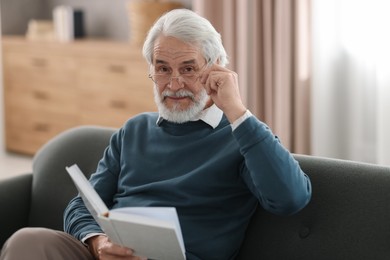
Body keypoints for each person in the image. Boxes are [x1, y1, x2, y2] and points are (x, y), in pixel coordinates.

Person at [0, 8, 311, 260]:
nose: (173, 85)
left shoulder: (241, 135)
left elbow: (290, 198)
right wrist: (98, 242)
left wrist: (237, 111)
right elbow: (84, 204)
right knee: (29, 242)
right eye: (162, 69)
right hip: (109, 254)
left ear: (216, 69)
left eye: (188, 69)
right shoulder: (134, 130)